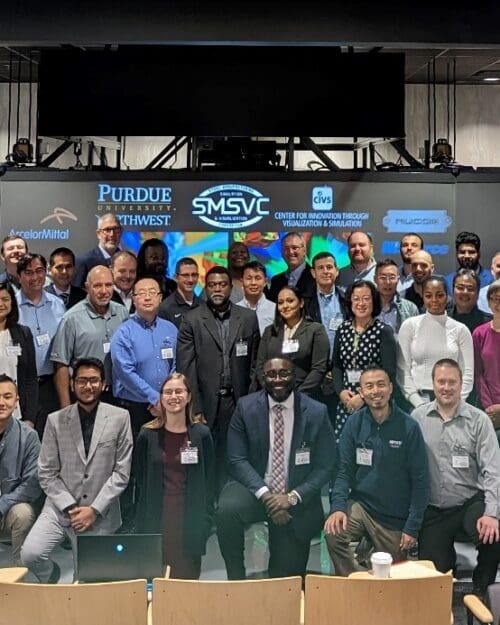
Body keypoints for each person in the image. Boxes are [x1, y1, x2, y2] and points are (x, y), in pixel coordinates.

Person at [216, 357, 335, 579]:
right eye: (271, 374)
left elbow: (326, 465)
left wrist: (292, 497)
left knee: (286, 580)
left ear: (294, 377)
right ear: (263, 377)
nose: (277, 379)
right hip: (256, 488)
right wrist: (267, 496)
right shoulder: (246, 407)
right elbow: (237, 458)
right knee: (226, 510)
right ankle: (235, 579)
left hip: (296, 494)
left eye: (284, 373)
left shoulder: (316, 412)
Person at [21, 357, 133, 583]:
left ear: (103, 384)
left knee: (86, 581)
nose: (88, 386)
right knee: (30, 554)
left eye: (93, 380)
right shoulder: (56, 420)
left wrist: (93, 510)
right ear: (72, 384)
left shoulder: (120, 418)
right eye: (82, 381)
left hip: (99, 512)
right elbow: (46, 472)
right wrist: (71, 507)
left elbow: (121, 474)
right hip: (60, 508)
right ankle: (51, 574)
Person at [324, 366, 429, 576]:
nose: (375, 391)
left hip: (394, 517)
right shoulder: (354, 423)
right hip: (362, 507)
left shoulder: (409, 427)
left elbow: (421, 482)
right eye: (369, 386)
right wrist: (337, 508)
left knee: (391, 575)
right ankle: (355, 580)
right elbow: (343, 471)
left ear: (391, 388)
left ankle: (369, 571)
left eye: (381, 384)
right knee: (334, 532)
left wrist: (412, 528)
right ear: (361, 392)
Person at [412, 358, 500, 595]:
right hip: (433, 509)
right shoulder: (417, 418)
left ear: (462, 385)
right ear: (433, 384)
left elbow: (493, 470)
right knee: (434, 577)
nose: (446, 387)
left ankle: (483, 589)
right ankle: (447, 564)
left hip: (469, 502)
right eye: (441, 381)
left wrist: (492, 514)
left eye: (452, 382)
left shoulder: (479, 420)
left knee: (493, 535)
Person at [177, 266, 260, 485]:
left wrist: (250, 401)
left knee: (237, 456)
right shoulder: (192, 319)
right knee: (207, 458)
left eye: (222, 285)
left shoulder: (248, 318)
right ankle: (207, 507)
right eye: (212, 285)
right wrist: (195, 407)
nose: (217, 289)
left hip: (238, 401)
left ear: (231, 288)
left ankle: (232, 505)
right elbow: (187, 366)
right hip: (206, 402)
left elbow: (255, 364)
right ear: (206, 287)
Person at [134, 373, 215, 579]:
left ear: (189, 397)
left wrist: (206, 521)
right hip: (156, 517)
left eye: (179, 391)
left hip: (190, 519)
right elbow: (140, 479)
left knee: (187, 582)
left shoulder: (202, 434)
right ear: (161, 398)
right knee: (157, 580)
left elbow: (210, 480)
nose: (173, 396)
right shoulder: (147, 434)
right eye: (168, 392)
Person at [51, 265, 129, 408]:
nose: (104, 291)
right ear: (87, 287)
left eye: (108, 285)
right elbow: (61, 364)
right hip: (86, 396)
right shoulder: (71, 318)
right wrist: (66, 407)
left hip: (119, 396)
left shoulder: (122, 313)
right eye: (98, 286)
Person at [111, 277, 178, 436]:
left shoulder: (171, 329)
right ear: (133, 299)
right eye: (141, 293)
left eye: (152, 292)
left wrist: (166, 397)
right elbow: (125, 373)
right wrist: (155, 398)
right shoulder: (123, 333)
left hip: (168, 404)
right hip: (134, 407)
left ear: (160, 297)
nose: (147, 297)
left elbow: (176, 365)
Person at [331, 280, 397, 440]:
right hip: (347, 401)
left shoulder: (384, 331)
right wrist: (341, 392)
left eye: (366, 298)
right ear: (350, 302)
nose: (361, 303)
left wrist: (362, 397)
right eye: (356, 298)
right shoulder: (343, 329)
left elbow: (389, 371)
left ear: (374, 301)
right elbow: (337, 366)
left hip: (373, 399)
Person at [398, 276, 474, 408]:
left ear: (447, 296)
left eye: (439, 295)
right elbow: (403, 370)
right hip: (417, 402)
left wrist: (457, 403)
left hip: (453, 402)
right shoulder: (409, 326)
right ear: (422, 296)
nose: (434, 300)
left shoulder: (461, 330)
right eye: (428, 295)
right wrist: (418, 403)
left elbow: (467, 373)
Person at [16, 254, 66, 436]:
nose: (35, 277)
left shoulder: (58, 304)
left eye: (39, 271)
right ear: (19, 276)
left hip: (52, 385)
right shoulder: (11, 306)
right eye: (28, 273)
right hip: (20, 386)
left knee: (50, 439)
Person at [256, 286, 329, 395]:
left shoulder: (316, 330)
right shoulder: (269, 331)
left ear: (301, 303)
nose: (285, 306)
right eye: (280, 302)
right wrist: (272, 390)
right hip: (273, 394)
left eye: (290, 301)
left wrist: (298, 394)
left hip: (305, 396)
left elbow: (319, 368)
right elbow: (260, 365)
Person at [0, 374, 41, 565]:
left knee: (23, 513)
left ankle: (19, 572)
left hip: (8, 510)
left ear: (17, 401)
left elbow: (32, 485)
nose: (1, 402)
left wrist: (3, 504)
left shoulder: (29, 437)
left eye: (7, 397)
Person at [0, 281, 38, 424]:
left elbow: (30, 378)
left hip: (17, 414)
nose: (1, 304)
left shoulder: (23, 333)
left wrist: (30, 417)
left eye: (5, 299)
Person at [472, 279, 500, 433]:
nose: (497, 303)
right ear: (488, 303)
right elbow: (478, 373)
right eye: (494, 299)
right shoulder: (479, 333)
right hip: (488, 409)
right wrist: (489, 406)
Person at [74, 213, 123, 287]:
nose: (112, 234)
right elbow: (77, 293)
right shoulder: (84, 262)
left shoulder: (127, 261)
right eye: (107, 230)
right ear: (98, 234)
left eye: (116, 229)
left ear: (121, 232)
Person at [374, 259, 419, 335]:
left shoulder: (410, 308)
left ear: (398, 279)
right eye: (383, 278)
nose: (388, 282)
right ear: (375, 279)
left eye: (392, 277)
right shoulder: (366, 306)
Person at [268, 233, 315, 302]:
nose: (290, 252)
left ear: (304, 250)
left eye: (295, 248)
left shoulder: (316, 277)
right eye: (286, 248)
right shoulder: (276, 281)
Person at [159, 257, 202, 328]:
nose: (190, 280)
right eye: (186, 275)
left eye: (194, 275)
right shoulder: (165, 308)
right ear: (176, 278)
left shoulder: (204, 305)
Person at [236, 260, 276, 336]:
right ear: (242, 281)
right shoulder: (234, 309)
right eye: (249, 278)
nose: (253, 283)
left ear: (265, 282)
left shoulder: (275, 309)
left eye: (258, 278)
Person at [449, 268, 491, 333]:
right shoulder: (442, 319)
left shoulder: (490, 323)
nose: (465, 292)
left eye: (470, 289)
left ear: (478, 293)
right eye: (460, 288)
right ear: (453, 291)